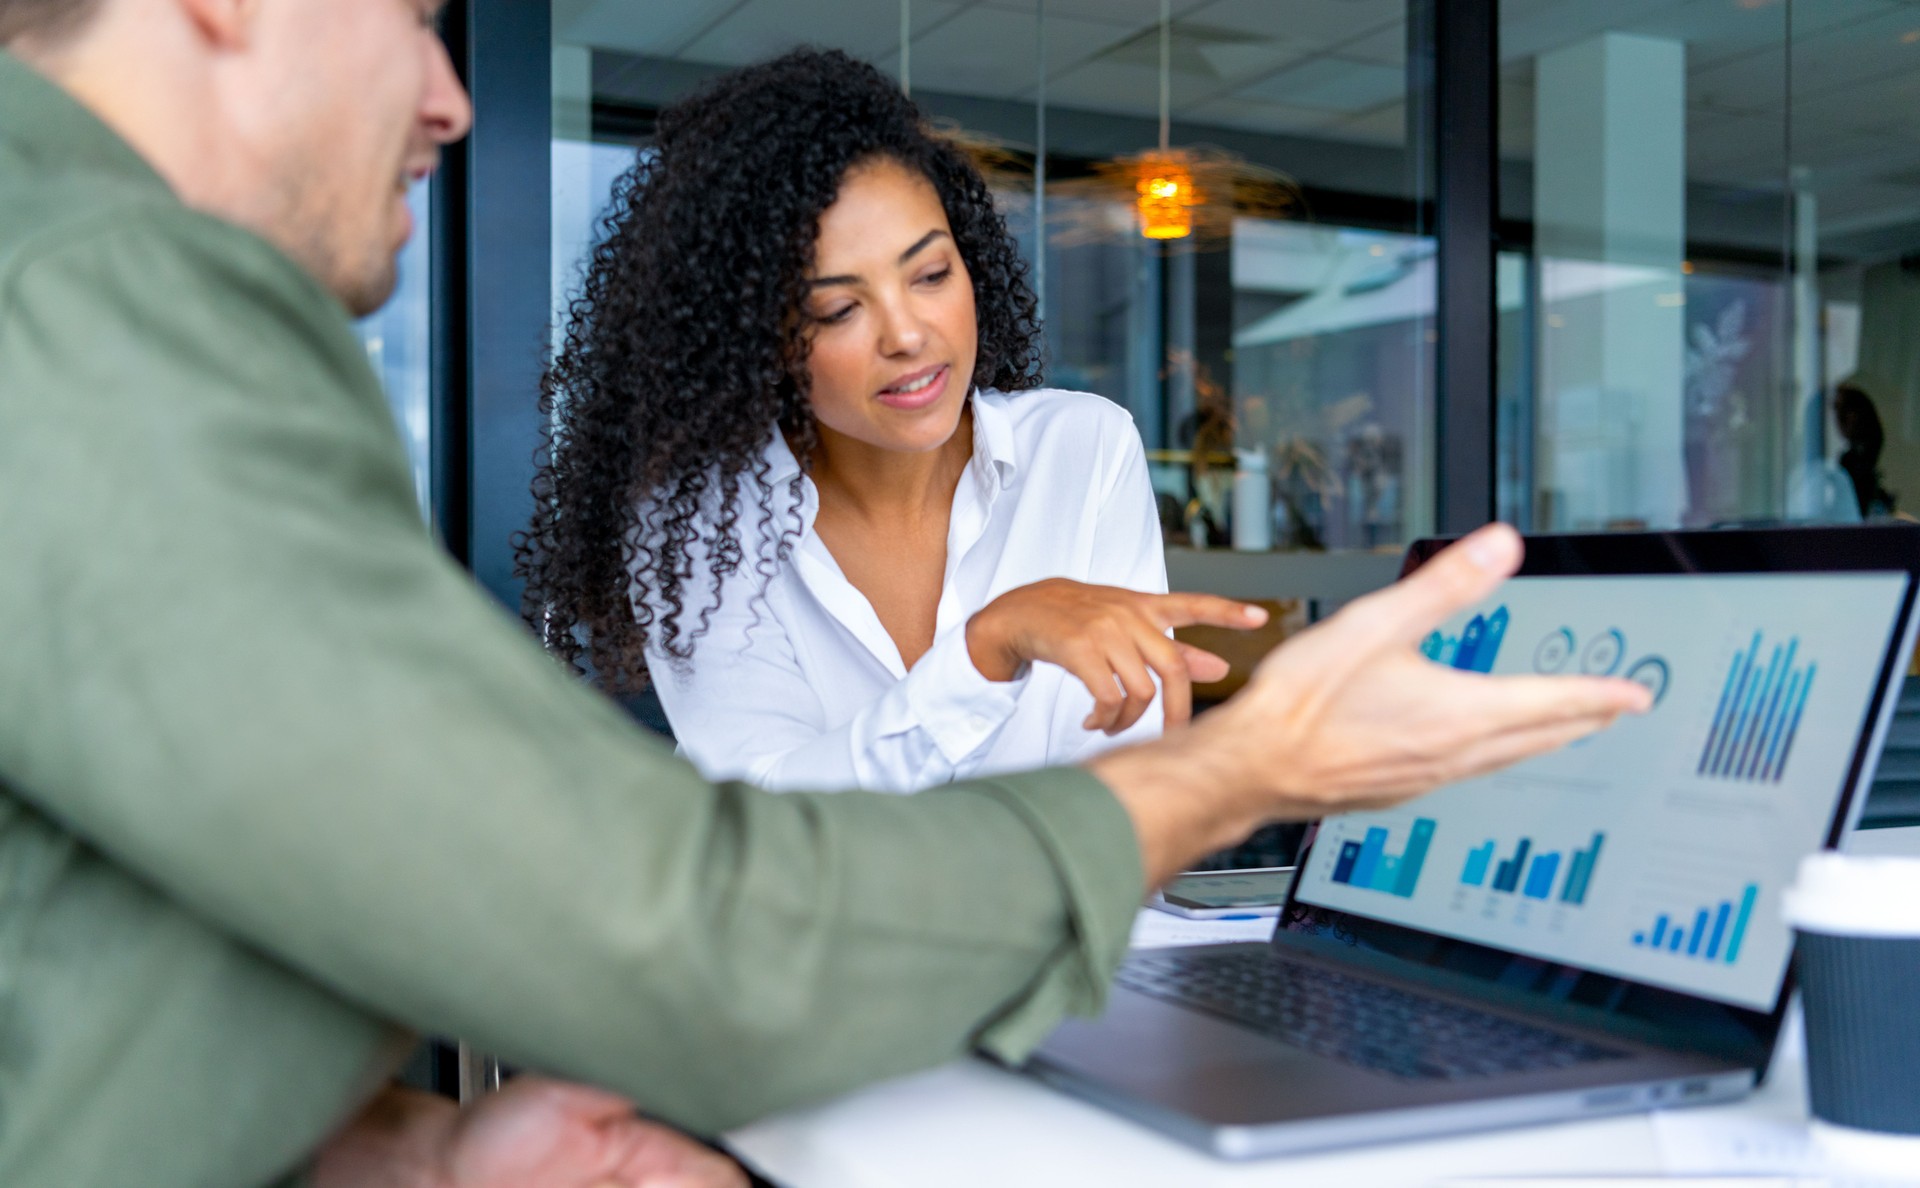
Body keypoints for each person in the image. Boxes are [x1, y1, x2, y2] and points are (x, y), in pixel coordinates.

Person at [0, 1, 1650, 1186]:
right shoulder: (94, 297)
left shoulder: (69, 297)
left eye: (930, 272)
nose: (449, 96)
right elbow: (702, 921)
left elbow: (82, 934)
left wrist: (406, 1156)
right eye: (418, 18)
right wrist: (1249, 761)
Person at [519, 50, 1247, 793]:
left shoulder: (1084, 450)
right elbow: (769, 820)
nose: (906, 335)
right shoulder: (701, 522)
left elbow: (1125, 782)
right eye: (837, 308)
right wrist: (984, 651)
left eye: (930, 274)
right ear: (752, 340)